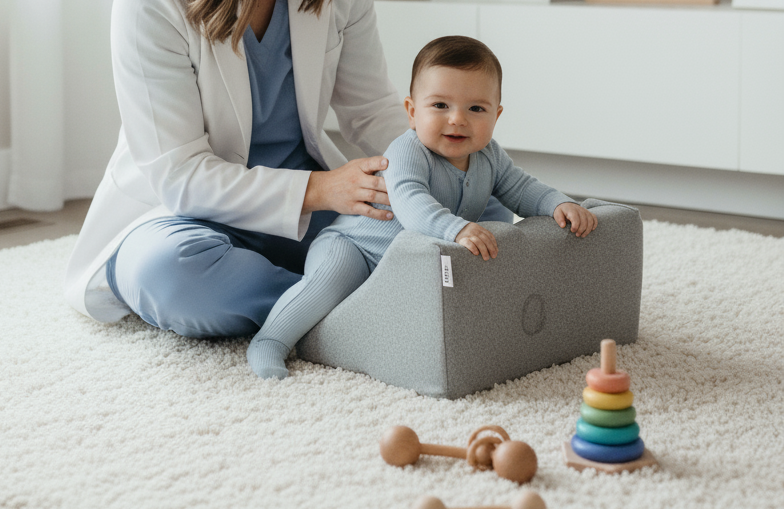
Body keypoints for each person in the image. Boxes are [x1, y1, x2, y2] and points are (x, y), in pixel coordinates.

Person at [64, 0, 478, 337]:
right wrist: (321, 191)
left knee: (434, 223)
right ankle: (353, 313)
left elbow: (371, 109)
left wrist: (441, 174)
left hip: (310, 210)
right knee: (175, 278)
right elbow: (180, 175)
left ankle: (319, 301)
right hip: (183, 216)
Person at [246, 34, 598, 378]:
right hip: (355, 247)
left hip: (409, 263)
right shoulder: (407, 151)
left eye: (476, 108)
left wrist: (557, 203)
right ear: (412, 112)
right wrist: (454, 228)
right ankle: (271, 340)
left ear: (496, 116)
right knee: (327, 284)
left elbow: (522, 188)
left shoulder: (490, 156)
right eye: (440, 106)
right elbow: (411, 202)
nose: (457, 119)